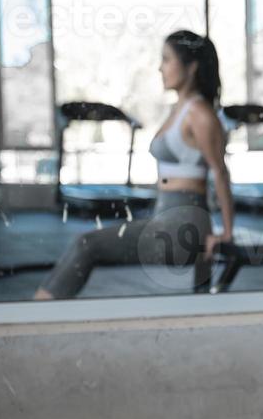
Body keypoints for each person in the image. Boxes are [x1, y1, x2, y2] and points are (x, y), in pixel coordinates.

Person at [34, 31, 234, 299]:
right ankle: (38, 313)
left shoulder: (199, 114)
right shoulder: (180, 110)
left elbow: (220, 172)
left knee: (87, 244)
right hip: (166, 217)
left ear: (191, 67)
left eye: (166, 60)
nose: (159, 68)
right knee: (86, 243)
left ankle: (37, 313)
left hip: (181, 226)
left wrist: (226, 233)